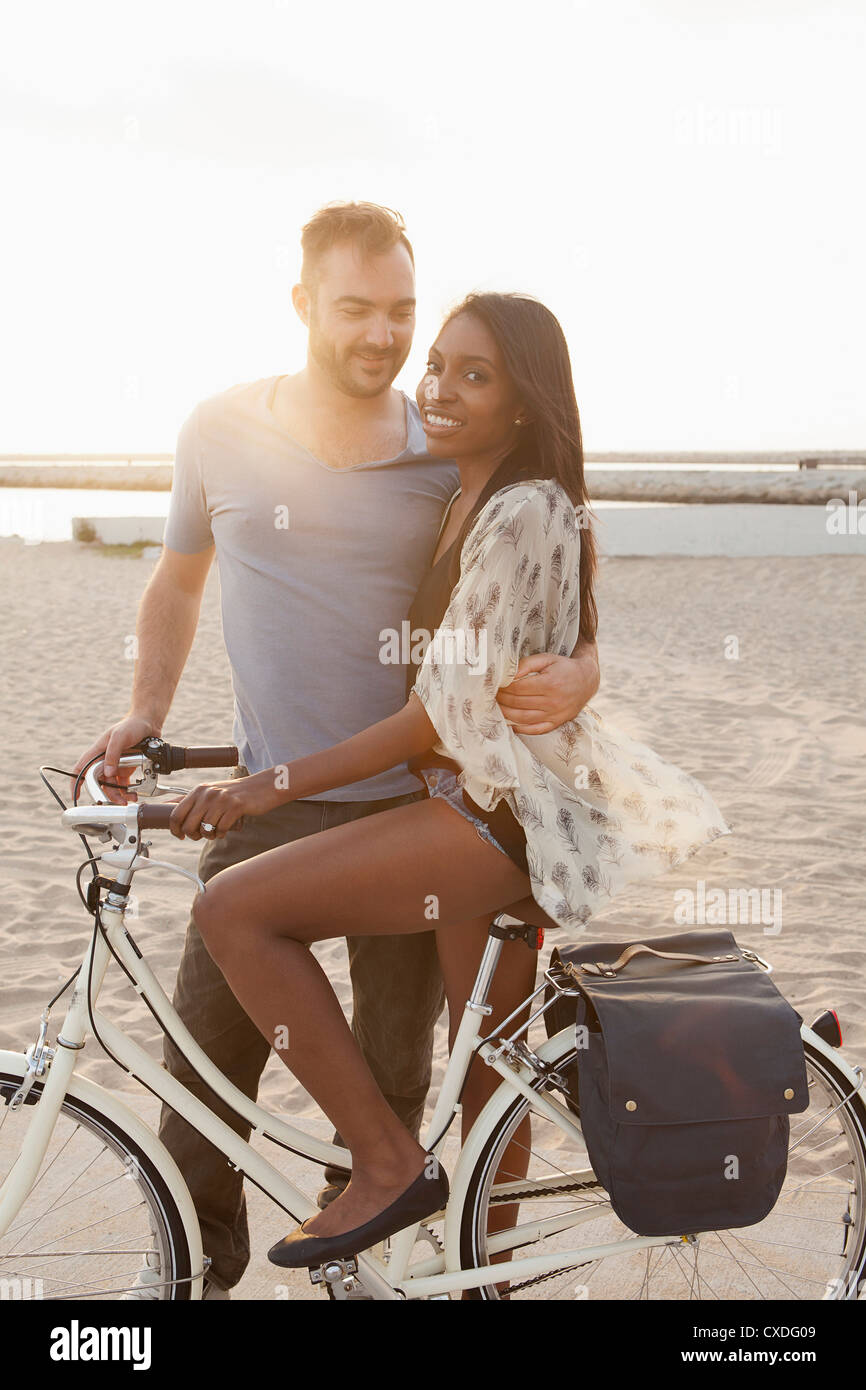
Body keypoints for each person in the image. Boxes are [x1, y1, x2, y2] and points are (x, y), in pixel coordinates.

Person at [72, 204, 600, 1295]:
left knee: (408, 1069)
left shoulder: (450, 445)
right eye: (356, 307)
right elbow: (176, 578)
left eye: (402, 310)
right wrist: (144, 711)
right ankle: (199, 1274)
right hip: (274, 800)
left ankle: (378, 1265)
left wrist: (585, 667)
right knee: (204, 1068)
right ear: (303, 302)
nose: (386, 337)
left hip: (412, 812)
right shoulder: (222, 427)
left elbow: (549, 582)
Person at [167, 291, 731, 1268]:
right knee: (491, 1081)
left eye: (474, 376)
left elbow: (435, 714)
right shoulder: (463, 490)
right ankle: (487, 1279)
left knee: (233, 911)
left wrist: (269, 786)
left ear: (523, 403)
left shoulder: (518, 509)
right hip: (478, 813)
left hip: (489, 817)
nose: (436, 388)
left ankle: (385, 1166)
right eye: (436, 365)